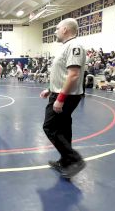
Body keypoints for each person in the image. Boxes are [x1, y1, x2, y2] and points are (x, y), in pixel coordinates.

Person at [39, 18, 86, 178]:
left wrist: (60, 97)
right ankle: (66, 161)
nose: (55, 31)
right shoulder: (65, 47)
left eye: (57, 28)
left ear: (65, 29)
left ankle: (74, 159)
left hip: (66, 95)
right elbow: (63, 74)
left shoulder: (74, 46)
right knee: (64, 128)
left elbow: (73, 75)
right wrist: (50, 89)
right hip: (59, 92)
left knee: (50, 127)